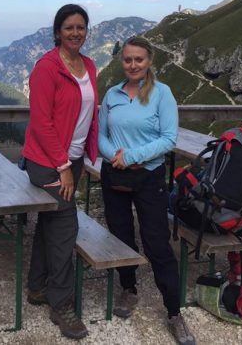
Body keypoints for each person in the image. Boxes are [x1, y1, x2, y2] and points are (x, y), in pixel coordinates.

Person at [98, 36, 196, 345]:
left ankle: (173, 312)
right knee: (121, 235)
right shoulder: (111, 95)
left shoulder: (162, 94)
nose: (133, 65)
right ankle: (129, 289)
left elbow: (169, 139)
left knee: (157, 243)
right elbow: (100, 135)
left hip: (149, 177)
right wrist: (114, 156)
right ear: (121, 61)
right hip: (114, 175)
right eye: (127, 59)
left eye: (139, 59)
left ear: (149, 61)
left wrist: (131, 156)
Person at [21, 4, 99, 340]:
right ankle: (62, 304)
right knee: (66, 227)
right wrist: (64, 166)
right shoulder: (46, 68)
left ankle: (37, 287)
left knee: (51, 222)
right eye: (69, 27)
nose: (76, 33)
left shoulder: (90, 66)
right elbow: (41, 122)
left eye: (81, 27)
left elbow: (89, 113)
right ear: (57, 32)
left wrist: (87, 155)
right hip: (48, 162)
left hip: (75, 158)